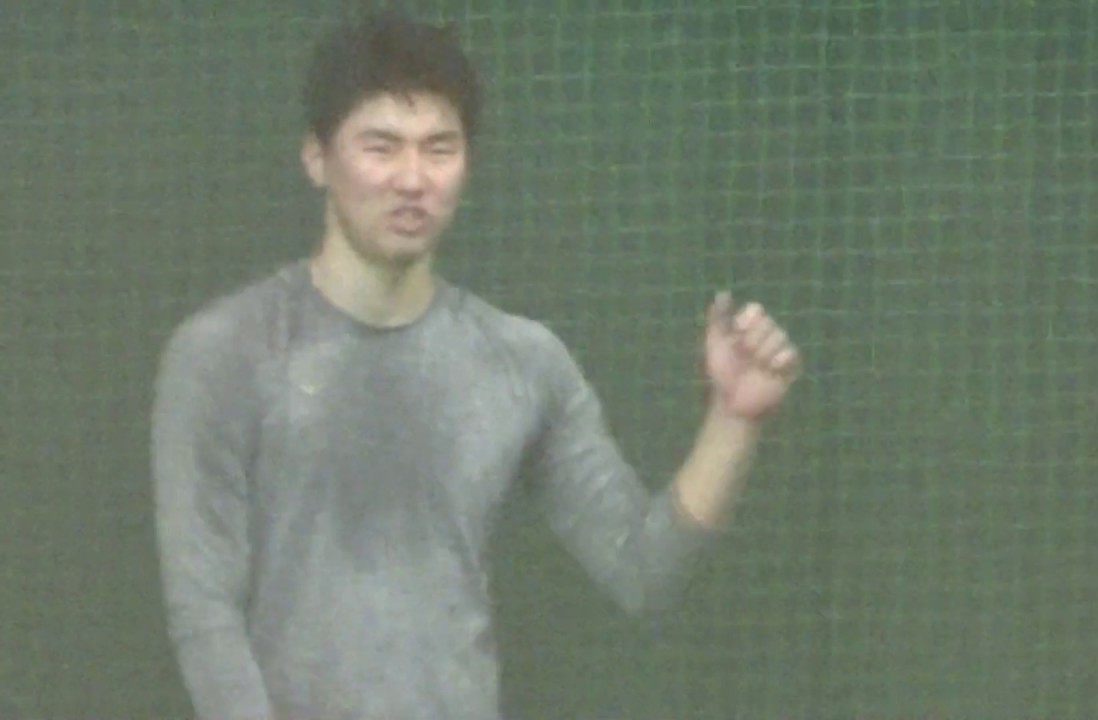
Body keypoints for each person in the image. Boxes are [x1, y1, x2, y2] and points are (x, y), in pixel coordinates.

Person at [150, 10, 801, 720]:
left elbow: (641, 568)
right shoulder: (224, 353)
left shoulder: (523, 362)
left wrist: (733, 419)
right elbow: (204, 613)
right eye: (380, 147)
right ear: (317, 157)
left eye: (439, 148)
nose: (412, 178)